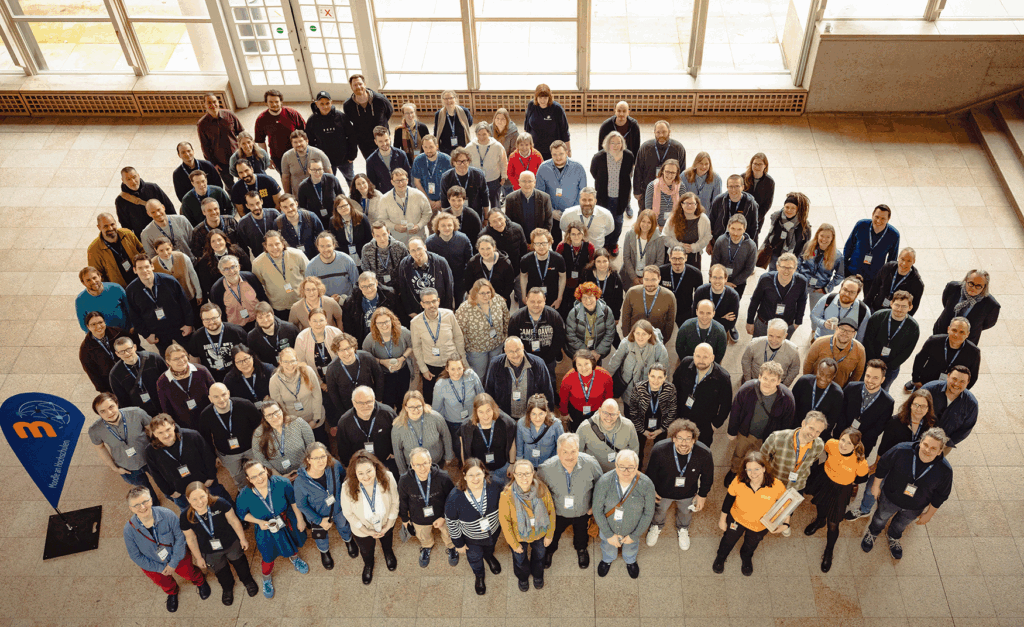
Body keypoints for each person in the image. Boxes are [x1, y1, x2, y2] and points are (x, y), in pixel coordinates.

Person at [860, 428, 952, 560]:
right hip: (890, 497)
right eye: (925, 445)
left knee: (901, 525)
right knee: (880, 518)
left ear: (939, 451)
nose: (927, 450)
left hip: (915, 506)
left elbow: (941, 495)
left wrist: (929, 514)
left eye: (933, 448)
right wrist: (875, 486)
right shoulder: (901, 450)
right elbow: (883, 466)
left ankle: (893, 536)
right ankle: (873, 532)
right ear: (920, 442)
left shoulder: (945, 471)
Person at [846, 390, 937, 522]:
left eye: (923, 406)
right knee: (871, 488)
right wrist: (877, 464)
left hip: (913, 468)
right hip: (891, 462)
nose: (918, 409)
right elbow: (884, 446)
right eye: (916, 404)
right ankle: (864, 509)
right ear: (910, 404)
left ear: (928, 408)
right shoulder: (896, 422)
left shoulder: (931, 425)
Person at [123, 486, 210, 613]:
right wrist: (159, 568)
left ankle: (200, 581)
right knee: (164, 582)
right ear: (131, 508)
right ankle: (172, 592)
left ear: (151, 500)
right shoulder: (129, 530)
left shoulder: (167, 515)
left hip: (177, 556)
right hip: (153, 565)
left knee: (189, 572)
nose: (142, 507)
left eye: (145, 501)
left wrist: (173, 563)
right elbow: (135, 556)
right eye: (136, 505)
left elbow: (180, 538)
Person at [235, 460, 310, 598]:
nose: (259, 479)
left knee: (292, 543)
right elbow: (241, 514)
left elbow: (293, 501)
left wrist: (300, 519)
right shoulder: (245, 495)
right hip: (265, 529)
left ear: (265, 469)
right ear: (248, 479)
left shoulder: (282, 482)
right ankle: (266, 578)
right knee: (268, 556)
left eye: (261, 473)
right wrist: (258, 521)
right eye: (253, 477)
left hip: (287, 522)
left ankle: (295, 559)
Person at [802, 428, 870, 571]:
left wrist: (845, 479)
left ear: (856, 446)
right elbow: (826, 452)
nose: (844, 445)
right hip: (825, 480)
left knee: (833, 523)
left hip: (842, 489)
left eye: (849, 443)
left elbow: (861, 478)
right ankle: (819, 521)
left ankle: (829, 551)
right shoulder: (831, 444)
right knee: (820, 504)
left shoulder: (860, 461)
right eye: (843, 440)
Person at [179, 481, 256, 605]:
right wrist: (198, 558)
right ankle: (227, 588)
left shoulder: (220, 503)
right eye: (194, 499)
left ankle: (247, 581)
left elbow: (234, 521)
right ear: (188, 499)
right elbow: (191, 539)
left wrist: (242, 539)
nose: (200, 502)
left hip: (231, 543)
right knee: (220, 571)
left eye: (202, 497)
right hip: (209, 550)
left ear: (207, 493)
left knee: (240, 563)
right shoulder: (185, 517)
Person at [713, 450, 789, 576]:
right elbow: (728, 499)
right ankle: (721, 557)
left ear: (764, 468)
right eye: (749, 470)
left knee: (751, 544)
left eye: (757, 469)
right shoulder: (738, 481)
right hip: (736, 519)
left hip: (760, 525)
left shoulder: (776, 485)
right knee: (728, 540)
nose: (753, 474)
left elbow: (786, 505)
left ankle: (746, 558)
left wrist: (786, 524)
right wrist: (722, 519)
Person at [645, 419, 714, 551]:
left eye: (688, 439)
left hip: (688, 492)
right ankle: (656, 525)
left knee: (686, 511)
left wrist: (702, 495)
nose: (683, 443)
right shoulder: (659, 450)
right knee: (660, 510)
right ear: (673, 438)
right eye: (680, 438)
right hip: (663, 490)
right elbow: (651, 473)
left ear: (694, 440)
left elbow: (708, 477)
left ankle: (683, 528)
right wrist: (651, 490)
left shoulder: (704, 453)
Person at [726, 361, 796, 483]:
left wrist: (780, 441)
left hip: (768, 437)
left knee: (762, 459)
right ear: (759, 377)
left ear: (779, 381)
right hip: (745, 432)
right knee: (739, 454)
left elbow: (787, 422)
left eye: (772, 380)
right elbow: (735, 410)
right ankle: (734, 470)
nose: (767, 383)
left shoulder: (787, 399)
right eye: (765, 378)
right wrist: (731, 431)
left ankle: (756, 477)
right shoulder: (746, 389)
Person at [294, 442, 359, 570]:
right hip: (318, 514)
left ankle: (348, 541)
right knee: (321, 536)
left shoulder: (334, 465)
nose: (321, 461)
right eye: (316, 458)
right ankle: (324, 552)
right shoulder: (300, 482)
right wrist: (319, 520)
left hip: (338, 509)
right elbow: (302, 505)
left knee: (343, 526)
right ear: (308, 460)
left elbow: (343, 478)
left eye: (323, 456)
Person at [338, 450, 399, 583]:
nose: (366, 476)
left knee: (387, 542)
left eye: (369, 471)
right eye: (360, 473)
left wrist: (388, 525)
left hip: (385, 523)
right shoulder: (347, 487)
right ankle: (368, 565)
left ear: (375, 467)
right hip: (362, 530)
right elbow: (348, 513)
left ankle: (388, 554)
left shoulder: (387, 477)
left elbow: (395, 502)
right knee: (366, 550)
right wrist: (367, 531)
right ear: (355, 473)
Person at [592, 449, 655, 579]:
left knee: (631, 546)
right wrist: (609, 535)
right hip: (609, 527)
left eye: (631, 467)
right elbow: (597, 509)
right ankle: (608, 559)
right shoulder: (604, 482)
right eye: (622, 467)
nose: (626, 472)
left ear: (637, 466)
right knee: (607, 545)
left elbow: (648, 513)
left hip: (632, 529)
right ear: (616, 465)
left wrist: (635, 535)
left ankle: (630, 560)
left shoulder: (647, 484)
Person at [143, 414, 227, 511]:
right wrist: (170, 492)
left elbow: (207, 456)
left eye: (168, 429)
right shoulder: (150, 451)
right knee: (190, 515)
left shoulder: (192, 436)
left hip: (205, 483)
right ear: (154, 433)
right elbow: (156, 474)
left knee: (222, 503)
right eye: (160, 432)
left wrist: (211, 477)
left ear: (173, 426)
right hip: (180, 492)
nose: (166, 435)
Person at [445, 457, 503, 595]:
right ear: (464, 476)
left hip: (493, 531)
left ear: (484, 472)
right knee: (475, 558)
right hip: (471, 538)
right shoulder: (455, 498)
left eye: (478, 474)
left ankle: (489, 557)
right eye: (471, 475)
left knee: (490, 547)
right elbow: (452, 523)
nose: (475, 478)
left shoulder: (496, 485)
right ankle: (479, 576)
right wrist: (458, 544)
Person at [498, 458, 557, 591]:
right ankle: (523, 577)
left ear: (533, 473)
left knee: (540, 556)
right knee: (519, 560)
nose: (524, 478)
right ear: (514, 475)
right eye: (519, 474)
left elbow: (551, 512)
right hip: (519, 536)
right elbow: (505, 521)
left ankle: (538, 575)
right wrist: (514, 544)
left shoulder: (542, 489)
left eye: (527, 473)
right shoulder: (506, 495)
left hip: (540, 533)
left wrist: (549, 534)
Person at [398, 447, 459, 567]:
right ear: (412, 465)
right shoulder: (404, 480)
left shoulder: (443, 477)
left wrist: (443, 517)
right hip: (418, 517)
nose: (422, 468)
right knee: (423, 535)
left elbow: (452, 499)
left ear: (430, 461)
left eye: (425, 463)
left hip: (442, 514)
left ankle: (451, 546)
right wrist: (404, 518)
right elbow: (402, 501)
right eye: (417, 465)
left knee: (448, 532)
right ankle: (426, 546)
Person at [196, 383, 261, 491]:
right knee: (237, 476)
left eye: (223, 394)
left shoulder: (245, 405)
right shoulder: (205, 415)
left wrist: (261, 445)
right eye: (216, 397)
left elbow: (260, 426)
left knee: (259, 470)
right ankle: (244, 491)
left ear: (229, 393)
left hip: (251, 447)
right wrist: (214, 456)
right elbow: (206, 439)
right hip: (227, 454)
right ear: (210, 399)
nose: (221, 399)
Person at [90, 393, 155, 494]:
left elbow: (153, 430)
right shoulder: (95, 430)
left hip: (150, 459)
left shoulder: (137, 413)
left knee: (164, 483)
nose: (109, 413)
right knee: (144, 491)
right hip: (127, 467)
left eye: (111, 407)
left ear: (117, 403)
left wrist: (158, 452)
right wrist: (114, 468)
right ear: (99, 414)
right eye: (103, 411)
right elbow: (100, 448)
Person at [830, 359, 895, 457]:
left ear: (882, 379)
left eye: (875, 378)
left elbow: (878, 428)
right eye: (868, 376)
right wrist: (846, 435)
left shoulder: (888, 402)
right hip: (840, 436)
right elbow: (840, 411)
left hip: (863, 444)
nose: (870, 381)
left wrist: (856, 440)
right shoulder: (851, 387)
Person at [411, 288, 465, 403]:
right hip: (431, 366)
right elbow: (416, 347)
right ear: (422, 304)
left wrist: (462, 361)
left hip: (451, 364)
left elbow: (458, 338)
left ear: (438, 301)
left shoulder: (449, 315)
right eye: (427, 302)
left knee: (454, 395)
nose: (431, 305)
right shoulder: (415, 322)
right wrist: (423, 369)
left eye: (434, 301)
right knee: (431, 398)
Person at [326, 333, 386, 436]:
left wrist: (379, 399)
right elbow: (333, 393)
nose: (346, 353)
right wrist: (344, 413)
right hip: (348, 407)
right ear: (336, 352)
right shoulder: (332, 369)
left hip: (370, 403)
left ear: (354, 347)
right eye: (341, 350)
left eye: (348, 348)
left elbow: (379, 376)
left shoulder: (367, 357)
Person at [484, 336, 555, 420]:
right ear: (505, 351)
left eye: (517, 350)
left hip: (531, 417)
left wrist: (549, 415)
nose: (515, 355)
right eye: (511, 351)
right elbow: (489, 391)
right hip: (505, 417)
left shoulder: (538, 364)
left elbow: (547, 391)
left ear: (523, 348)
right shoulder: (495, 364)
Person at [507, 288, 565, 391]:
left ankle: (551, 396)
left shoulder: (554, 316)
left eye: (539, 301)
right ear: (526, 300)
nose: (536, 305)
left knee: (549, 379)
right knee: (528, 381)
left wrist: (549, 356)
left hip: (548, 358)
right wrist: (524, 357)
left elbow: (559, 338)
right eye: (532, 301)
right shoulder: (516, 318)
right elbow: (513, 340)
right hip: (525, 358)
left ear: (545, 300)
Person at [270, 344, 327, 445]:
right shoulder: (274, 380)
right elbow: (279, 406)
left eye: (292, 361)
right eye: (285, 362)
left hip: (315, 417)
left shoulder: (308, 371)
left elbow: (317, 396)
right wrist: (291, 425)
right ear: (280, 362)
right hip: (294, 423)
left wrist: (315, 420)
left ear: (297, 360)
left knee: (322, 445)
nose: (289, 365)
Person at [863, 291, 920, 390]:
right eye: (897, 305)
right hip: (870, 362)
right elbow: (868, 341)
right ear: (891, 303)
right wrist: (874, 362)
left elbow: (906, 352)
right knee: (863, 386)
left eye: (904, 306)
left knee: (883, 390)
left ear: (910, 308)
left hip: (891, 368)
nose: (899, 309)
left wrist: (887, 366)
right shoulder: (877, 317)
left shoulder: (913, 327)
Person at [456, 279, 510, 383]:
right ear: (475, 293)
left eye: (488, 292)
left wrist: (505, 337)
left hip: (497, 345)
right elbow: (459, 332)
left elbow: (506, 319)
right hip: (477, 350)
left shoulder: (498, 300)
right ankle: (480, 397)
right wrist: (464, 350)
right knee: (479, 377)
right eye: (482, 293)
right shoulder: (465, 308)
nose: (486, 296)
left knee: (495, 373)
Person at [760, 412, 828, 496]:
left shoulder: (819, 445)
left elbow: (813, 460)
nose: (813, 434)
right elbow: (761, 460)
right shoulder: (776, 438)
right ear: (803, 423)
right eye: (811, 428)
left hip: (797, 486)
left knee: (788, 509)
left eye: (818, 432)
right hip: (773, 483)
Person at [606, 319, 669, 407]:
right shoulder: (626, 343)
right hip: (628, 386)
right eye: (638, 333)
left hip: (649, 389)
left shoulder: (659, 349)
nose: (640, 337)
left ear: (650, 335)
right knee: (628, 411)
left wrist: (661, 393)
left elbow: (664, 372)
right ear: (633, 333)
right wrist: (606, 381)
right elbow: (615, 362)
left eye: (644, 334)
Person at [390, 390, 454, 475]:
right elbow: (398, 453)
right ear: (405, 407)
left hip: (436, 464)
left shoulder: (435, 417)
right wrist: (403, 473)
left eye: (419, 406)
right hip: (414, 469)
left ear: (423, 405)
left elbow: (446, 435)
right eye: (411, 407)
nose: (415, 410)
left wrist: (448, 456)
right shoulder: (398, 427)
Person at [362, 307, 414, 409]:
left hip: (402, 372)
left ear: (392, 320)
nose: (384, 325)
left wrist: (402, 358)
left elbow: (412, 345)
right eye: (380, 323)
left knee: (402, 401)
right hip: (383, 376)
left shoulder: (402, 332)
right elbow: (366, 356)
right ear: (374, 324)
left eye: (386, 321)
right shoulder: (370, 338)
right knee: (387, 402)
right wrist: (382, 362)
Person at [745, 252, 807, 338]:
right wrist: (750, 321)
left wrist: (797, 323)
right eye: (783, 267)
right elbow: (755, 300)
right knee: (757, 348)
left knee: (780, 350)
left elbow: (802, 302)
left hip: (786, 326)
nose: (786, 271)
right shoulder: (765, 279)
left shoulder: (801, 282)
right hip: (764, 323)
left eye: (790, 268)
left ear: (795, 268)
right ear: (777, 266)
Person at [908, 317, 980, 391]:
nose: (956, 335)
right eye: (954, 330)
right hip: (926, 383)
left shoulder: (974, 352)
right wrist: (916, 380)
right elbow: (919, 360)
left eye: (961, 332)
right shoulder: (933, 341)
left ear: (967, 334)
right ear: (948, 329)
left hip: (951, 389)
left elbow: (973, 376)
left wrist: (960, 391)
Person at [335, 385, 397, 470]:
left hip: (386, 462)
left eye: (369, 401)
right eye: (360, 403)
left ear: (374, 400)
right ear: (353, 403)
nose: (365, 406)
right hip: (361, 466)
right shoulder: (344, 422)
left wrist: (394, 453)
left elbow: (399, 435)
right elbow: (343, 448)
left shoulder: (388, 413)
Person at [250, 400, 316, 480]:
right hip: (279, 477)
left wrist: (302, 470)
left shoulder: (298, 423)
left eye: (276, 412)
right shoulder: (259, 433)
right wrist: (279, 476)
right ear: (265, 418)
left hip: (305, 471)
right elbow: (259, 456)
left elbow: (312, 448)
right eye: (269, 415)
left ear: (281, 410)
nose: (274, 417)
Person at [933, 269, 1001, 346]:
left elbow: (988, 323)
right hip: (942, 331)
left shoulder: (991, 305)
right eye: (971, 283)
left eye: (978, 286)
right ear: (966, 280)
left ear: (984, 287)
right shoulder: (952, 287)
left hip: (967, 341)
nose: (973, 288)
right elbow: (946, 303)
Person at [843, 204, 900, 295]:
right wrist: (844, 266)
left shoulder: (893, 235)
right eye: (876, 217)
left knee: (868, 303)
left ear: (888, 219)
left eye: (883, 218)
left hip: (874, 275)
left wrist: (885, 277)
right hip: (853, 270)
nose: (878, 221)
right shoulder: (861, 225)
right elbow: (849, 245)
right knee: (847, 297)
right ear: (872, 215)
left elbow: (892, 259)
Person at [535, 141, 587, 241]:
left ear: (566, 152)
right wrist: (551, 211)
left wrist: (574, 210)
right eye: (554, 154)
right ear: (551, 154)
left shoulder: (578, 168)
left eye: (561, 154)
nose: (558, 157)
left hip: (573, 212)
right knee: (555, 241)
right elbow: (540, 194)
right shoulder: (543, 168)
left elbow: (582, 192)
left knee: (574, 240)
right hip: (553, 213)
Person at [251, 230, 309, 319]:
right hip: (278, 307)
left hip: (301, 302)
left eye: (277, 244)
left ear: (282, 244)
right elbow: (260, 285)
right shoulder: (257, 263)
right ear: (265, 246)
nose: (274, 248)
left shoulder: (297, 255)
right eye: (270, 245)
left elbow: (308, 275)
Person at [155, 343, 214, 429]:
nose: (181, 361)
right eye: (176, 359)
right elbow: (166, 410)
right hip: (185, 427)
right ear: (168, 361)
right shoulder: (163, 381)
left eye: (183, 356)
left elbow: (215, 392)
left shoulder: (201, 371)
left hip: (209, 420)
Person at [306, 90, 358, 186]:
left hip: (345, 159)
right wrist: (316, 159)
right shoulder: (312, 121)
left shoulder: (341, 117)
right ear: (316, 104)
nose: (325, 106)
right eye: (321, 104)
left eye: (327, 103)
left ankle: (356, 198)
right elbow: (310, 142)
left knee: (351, 179)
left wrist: (352, 155)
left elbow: (352, 136)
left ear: (331, 102)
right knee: (329, 183)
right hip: (325, 161)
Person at [921, 366, 978, 452]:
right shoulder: (929, 390)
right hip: (920, 437)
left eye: (962, 381)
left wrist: (947, 443)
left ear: (967, 383)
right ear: (948, 376)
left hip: (944, 444)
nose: (956, 384)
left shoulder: (971, 404)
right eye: (954, 379)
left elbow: (966, 428)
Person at [187, 303, 248, 383]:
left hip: (237, 376)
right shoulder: (196, 337)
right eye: (206, 319)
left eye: (214, 318)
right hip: (212, 378)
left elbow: (249, 354)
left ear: (220, 316)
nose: (211, 322)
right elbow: (194, 360)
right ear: (202, 319)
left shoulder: (237, 332)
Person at [578, 398, 641, 474]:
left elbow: (634, 449)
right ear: (600, 411)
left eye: (613, 414)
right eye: (605, 413)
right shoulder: (585, 427)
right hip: (594, 472)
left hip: (619, 473)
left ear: (618, 414)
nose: (609, 417)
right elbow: (578, 453)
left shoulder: (629, 426)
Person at [634, 121, 686, 211]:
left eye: (664, 132)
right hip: (647, 190)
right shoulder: (645, 148)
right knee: (645, 216)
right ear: (654, 132)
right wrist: (637, 191)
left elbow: (681, 172)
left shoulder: (678, 149)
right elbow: (638, 170)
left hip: (670, 191)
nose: (661, 135)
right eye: (658, 132)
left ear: (669, 132)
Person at [432, 356, 486, 442]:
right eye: (452, 369)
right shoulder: (440, 385)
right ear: (447, 369)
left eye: (459, 368)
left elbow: (481, 396)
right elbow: (437, 410)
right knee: (459, 450)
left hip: (473, 420)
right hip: (453, 424)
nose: (456, 373)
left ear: (463, 367)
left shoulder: (471, 375)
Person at [109, 337, 165, 417]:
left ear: (134, 347)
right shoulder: (115, 374)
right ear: (117, 354)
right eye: (122, 351)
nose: (127, 354)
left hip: (164, 405)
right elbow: (123, 401)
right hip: (143, 414)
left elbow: (168, 382)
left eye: (128, 349)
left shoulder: (154, 359)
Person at [559, 350, 614, 432]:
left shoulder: (605, 375)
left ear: (592, 363)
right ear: (575, 366)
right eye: (579, 365)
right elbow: (563, 398)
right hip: (576, 412)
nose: (583, 368)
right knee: (577, 432)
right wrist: (564, 413)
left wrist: (606, 413)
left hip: (597, 411)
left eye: (586, 364)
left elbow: (608, 397)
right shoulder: (568, 377)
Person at [115, 167, 177, 239]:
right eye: (128, 179)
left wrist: (174, 227)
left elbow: (169, 208)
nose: (133, 181)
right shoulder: (121, 201)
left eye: (134, 177)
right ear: (123, 180)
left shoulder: (153, 188)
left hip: (166, 231)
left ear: (138, 175)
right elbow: (126, 225)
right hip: (145, 237)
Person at [399, 237, 455, 316]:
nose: (417, 253)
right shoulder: (404, 264)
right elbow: (403, 289)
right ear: (409, 252)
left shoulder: (440, 262)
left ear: (425, 247)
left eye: (419, 249)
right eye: (413, 251)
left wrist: (446, 310)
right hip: (416, 313)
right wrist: (410, 311)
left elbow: (449, 286)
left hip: (439, 310)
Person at [803, 318, 867, 388]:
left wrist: (847, 390)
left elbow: (857, 374)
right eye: (842, 329)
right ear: (836, 329)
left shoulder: (860, 350)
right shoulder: (819, 343)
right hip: (817, 385)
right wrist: (808, 384)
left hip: (839, 389)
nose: (845, 333)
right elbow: (808, 364)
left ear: (854, 334)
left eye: (849, 331)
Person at [343, 74, 394, 160]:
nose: (358, 87)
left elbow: (389, 112)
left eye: (360, 84)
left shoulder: (380, 99)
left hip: (382, 138)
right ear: (351, 87)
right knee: (372, 163)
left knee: (388, 161)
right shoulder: (348, 105)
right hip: (364, 142)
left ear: (365, 84)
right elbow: (351, 119)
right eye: (355, 85)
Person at [197, 93, 244, 187]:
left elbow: (241, 133)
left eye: (214, 102)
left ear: (218, 102)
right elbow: (205, 146)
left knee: (244, 180)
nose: (213, 105)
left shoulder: (229, 115)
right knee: (230, 185)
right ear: (205, 105)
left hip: (238, 156)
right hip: (221, 161)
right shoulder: (202, 124)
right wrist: (213, 164)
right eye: (209, 103)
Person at [253, 89, 306, 171]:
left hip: (297, 153)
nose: (274, 104)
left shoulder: (293, 114)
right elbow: (260, 141)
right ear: (266, 103)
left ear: (281, 102)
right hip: (278, 157)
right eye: (270, 102)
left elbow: (305, 132)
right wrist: (266, 159)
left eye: (277, 101)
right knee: (285, 178)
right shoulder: (261, 119)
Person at [622, 266, 677, 343]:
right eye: (646, 279)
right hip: (633, 340)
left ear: (659, 279)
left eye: (653, 279)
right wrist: (629, 340)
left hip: (656, 341)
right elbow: (625, 319)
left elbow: (670, 323)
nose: (649, 283)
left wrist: (661, 342)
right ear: (642, 279)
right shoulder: (631, 293)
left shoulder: (669, 296)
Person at [343, 271, 400, 345]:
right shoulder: (350, 302)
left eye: (371, 285)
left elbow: (399, 318)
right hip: (365, 341)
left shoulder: (390, 295)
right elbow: (349, 328)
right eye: (364, 287)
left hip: (389, 338)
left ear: (376, 283)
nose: (369, 289)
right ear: (360, 287)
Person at [427, 212, 474, 302]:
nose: (447, 228)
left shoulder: (463, 239)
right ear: (438, 227)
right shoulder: (430, 242)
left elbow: (469, 260)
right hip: (440, 278)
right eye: (443, 225)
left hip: (459, 278)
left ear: (454, 226)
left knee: (459, 302)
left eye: (449, 225)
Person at [798, 223, 845, 312]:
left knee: (816, 315)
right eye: (822, 236)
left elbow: (840, 275)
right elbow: (799, 259)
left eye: (828, 237)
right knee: (794, 311)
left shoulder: (837, 256)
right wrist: (797, 276)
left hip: (819, 289)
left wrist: (826, 289)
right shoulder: (808, 245)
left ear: (832, 238)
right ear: (817, 235)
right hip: (802, 284)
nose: (824, 239)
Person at [864, 247, 924, 316]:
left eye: (909, 261)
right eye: (902, 259)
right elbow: (874, 288)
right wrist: (865, 307)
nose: (904, 263)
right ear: (898, 257)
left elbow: (914, 307)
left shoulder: (917, 284)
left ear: (914, 261)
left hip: (894, 316)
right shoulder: (888, 268)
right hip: (876, 309)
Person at [741, 318, 802, 386]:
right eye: (771, 335)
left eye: (778, 337)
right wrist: (748, 381)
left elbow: (794, 369)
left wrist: (784, 386)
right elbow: (746, 362)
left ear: (785, 336)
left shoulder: (793, 351)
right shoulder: (753, 344)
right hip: (755, 380)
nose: (774, 340)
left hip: (777, 384)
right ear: (767, 332)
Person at [197, 233, 252, 307]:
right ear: (209, 244)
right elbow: (207, 285)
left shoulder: (237, 251)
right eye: (213, 241)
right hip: (224, 295)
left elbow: (248, 270)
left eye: (219, 239)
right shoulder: (205, 261)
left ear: (225, 240)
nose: (217, 243)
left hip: (243, 289)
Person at [380, 168, 431, 247]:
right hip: (398, 241)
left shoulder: (419, 195)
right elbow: (382, 219)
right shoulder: (384, 199)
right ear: (392, 182)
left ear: (407, 180)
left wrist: (419, 225)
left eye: (403, 180)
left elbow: (427, 213)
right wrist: (395, 227)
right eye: (397, 181)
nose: (400, 183)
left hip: (418, 239)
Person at [565, 282, 616, 360]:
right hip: (580, 351)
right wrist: (586, 353)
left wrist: (598, 352)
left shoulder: (606, 311)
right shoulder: (574, 313)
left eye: (590, 296)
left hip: (598, 351)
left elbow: (610, 334)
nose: (588, 300)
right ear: (580, 299)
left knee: (597, 370)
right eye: (584, 297)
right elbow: (571, 336)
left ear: (596, 297)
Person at [80, 312, 130, 393]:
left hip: (130, 374)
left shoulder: (118, 333)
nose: (98, 326)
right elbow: (92, 373)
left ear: (105, 322)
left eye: (100, 322)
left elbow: (136, 347)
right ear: (88, 327)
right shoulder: (85, 349)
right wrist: (104, 391)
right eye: (93, 324)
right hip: (112, 384)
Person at [810, 276, 871, 342]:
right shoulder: (827, 299)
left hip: (845, 347)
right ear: (840, 289)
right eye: (845, 290)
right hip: (822, 341)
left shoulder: (864, 311)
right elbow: (813, 315)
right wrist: (824, 323)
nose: (847, 294)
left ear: (857, 294)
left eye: (852, 292)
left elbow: (861, 336)